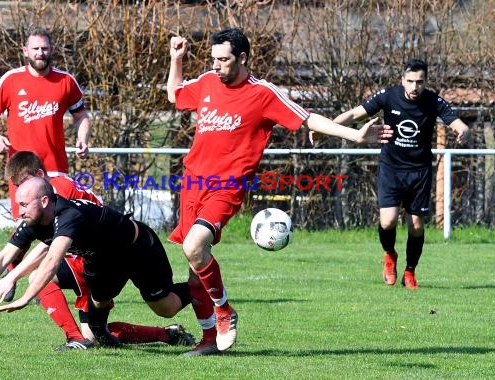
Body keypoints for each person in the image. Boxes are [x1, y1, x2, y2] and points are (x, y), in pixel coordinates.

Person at [166, 27, 393, 356]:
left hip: (227, 187)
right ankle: (208, 341)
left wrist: (354, 136)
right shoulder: (206, 82)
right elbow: (175, 95)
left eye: (223, 60)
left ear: (242, 58)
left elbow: (307, 118)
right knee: (194, 271)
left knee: (194, 246)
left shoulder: (262, 94)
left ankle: (225, 312)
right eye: (213, 59)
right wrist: (176, 59)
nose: (216, 65)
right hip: (192, 184)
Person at [0, 151, 194, 351]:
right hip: (95, 255)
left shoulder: (55, 195)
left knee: (164, 307)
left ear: (40, 176)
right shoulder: (37, 201)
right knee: (95, 330)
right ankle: (166, 334)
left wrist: (14, 278)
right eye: (17, 186)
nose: (21, 191)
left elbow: (49, 248)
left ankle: (76, 338)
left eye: (24, 182)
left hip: (118, 249)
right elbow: (18, 245)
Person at [333, 58, 469, 289]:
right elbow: (355, 114)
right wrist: (327, 126)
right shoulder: (389, 96)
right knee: (387, 222)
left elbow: (457, 123)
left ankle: (410, 271)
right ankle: (390, 255)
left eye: (420, 82)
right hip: (392, 168)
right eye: (410, 81)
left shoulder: (432, 101)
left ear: (425, 81)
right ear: (402, 80)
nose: (415, 87)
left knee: (416, 225)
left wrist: (463, 130)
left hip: (420, 171)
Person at [0, 26, 92, 301]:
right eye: (35, 48)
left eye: (44, 48)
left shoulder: (65, 82)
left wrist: (83, 137)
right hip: (22, 170)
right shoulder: (11, 80)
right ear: (25, 51)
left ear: (51, 50)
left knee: (57, 223)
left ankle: (55, 275)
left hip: (55, 167)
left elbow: (82, 115)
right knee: (27, 221)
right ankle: (12, 268)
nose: (40, 53)